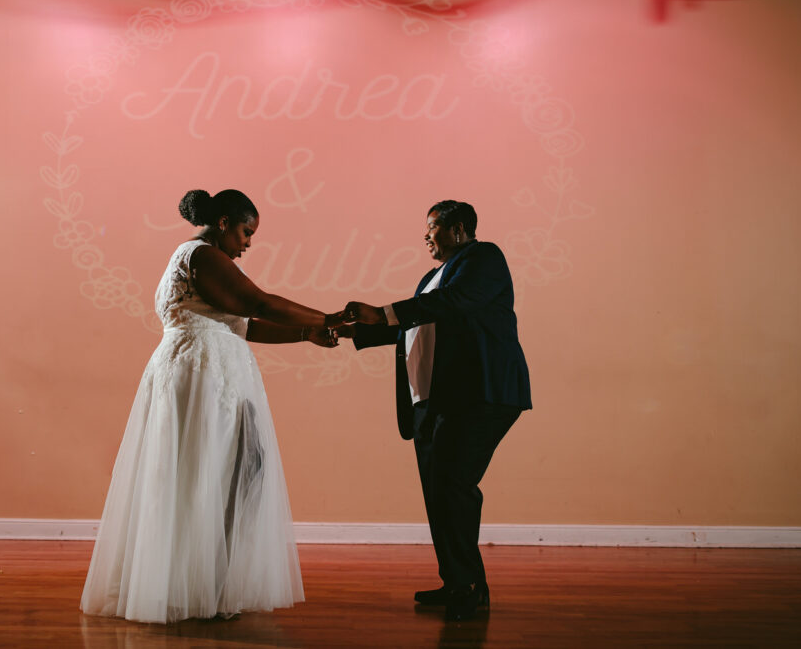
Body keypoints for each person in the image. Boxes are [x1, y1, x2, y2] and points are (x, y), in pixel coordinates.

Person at [81, 188, 343, 623]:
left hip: (211, 369)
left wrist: (305, 335)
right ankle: (195, 588)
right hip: (202, 372)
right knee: (209, 472)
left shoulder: (204, 260)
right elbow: (255, 302)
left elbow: (242, 324)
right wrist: (326, 318)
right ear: (223, 222)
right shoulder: (201, 255)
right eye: (245, 231)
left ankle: (203, 583)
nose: (247, 243)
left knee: (229, 471)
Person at [340, 200, 531, 622]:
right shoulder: (433, 277)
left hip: (479, 395)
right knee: (439, 491)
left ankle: (468, 586)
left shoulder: (484, 258)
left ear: (458, 228)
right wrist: (356, 331)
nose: (426, 236)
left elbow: (454, 303)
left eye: (432, 228)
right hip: (434, 401)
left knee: (454, 485)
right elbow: (420, 325)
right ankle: (458, 582)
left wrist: (384, 311)